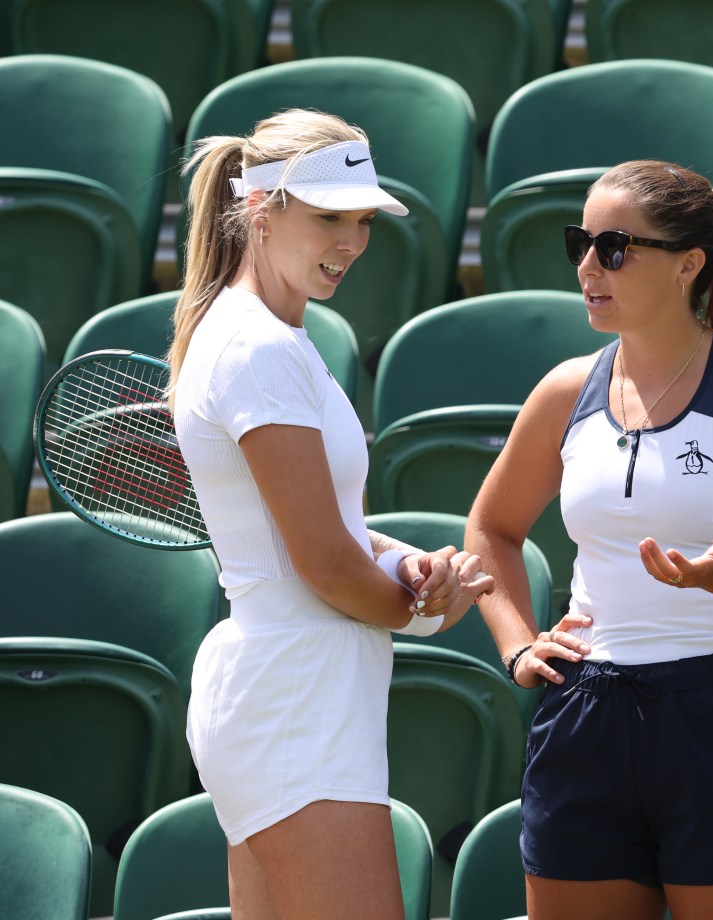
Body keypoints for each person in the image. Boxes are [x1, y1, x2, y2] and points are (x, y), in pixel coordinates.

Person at [465, 159, 713, 920]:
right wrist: (517, 643)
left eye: (614, 247)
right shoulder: (566, 389)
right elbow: (491, 529)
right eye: (580, 242)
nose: (587, 266)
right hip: (585, 717)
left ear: (689, 265)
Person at [167, 108, 494, 920]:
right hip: (294, 702)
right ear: (260, 210)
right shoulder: (261, 348)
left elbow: (320, 531)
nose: (350, 241)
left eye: (360, 221)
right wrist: (421, 608)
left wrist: (405, 567)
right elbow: (320, 562)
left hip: (293, 694)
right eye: (327, 218)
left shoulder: (266, 337)